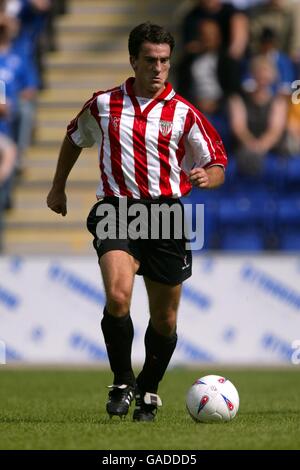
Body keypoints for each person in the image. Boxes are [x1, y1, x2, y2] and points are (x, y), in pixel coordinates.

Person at [47, 22, 227, 422]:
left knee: (164, 320)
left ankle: (148, 389)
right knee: (118, 296)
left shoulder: (184, 112)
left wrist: (206, 177)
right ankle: (123, 379)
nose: (158, 68)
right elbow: (75, 137)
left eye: (164, 60)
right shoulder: (104, 104)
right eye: (150, 60)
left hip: (166, 215)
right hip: (117, 211)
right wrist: (57, 187)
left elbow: (217, 164)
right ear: (133, 61)